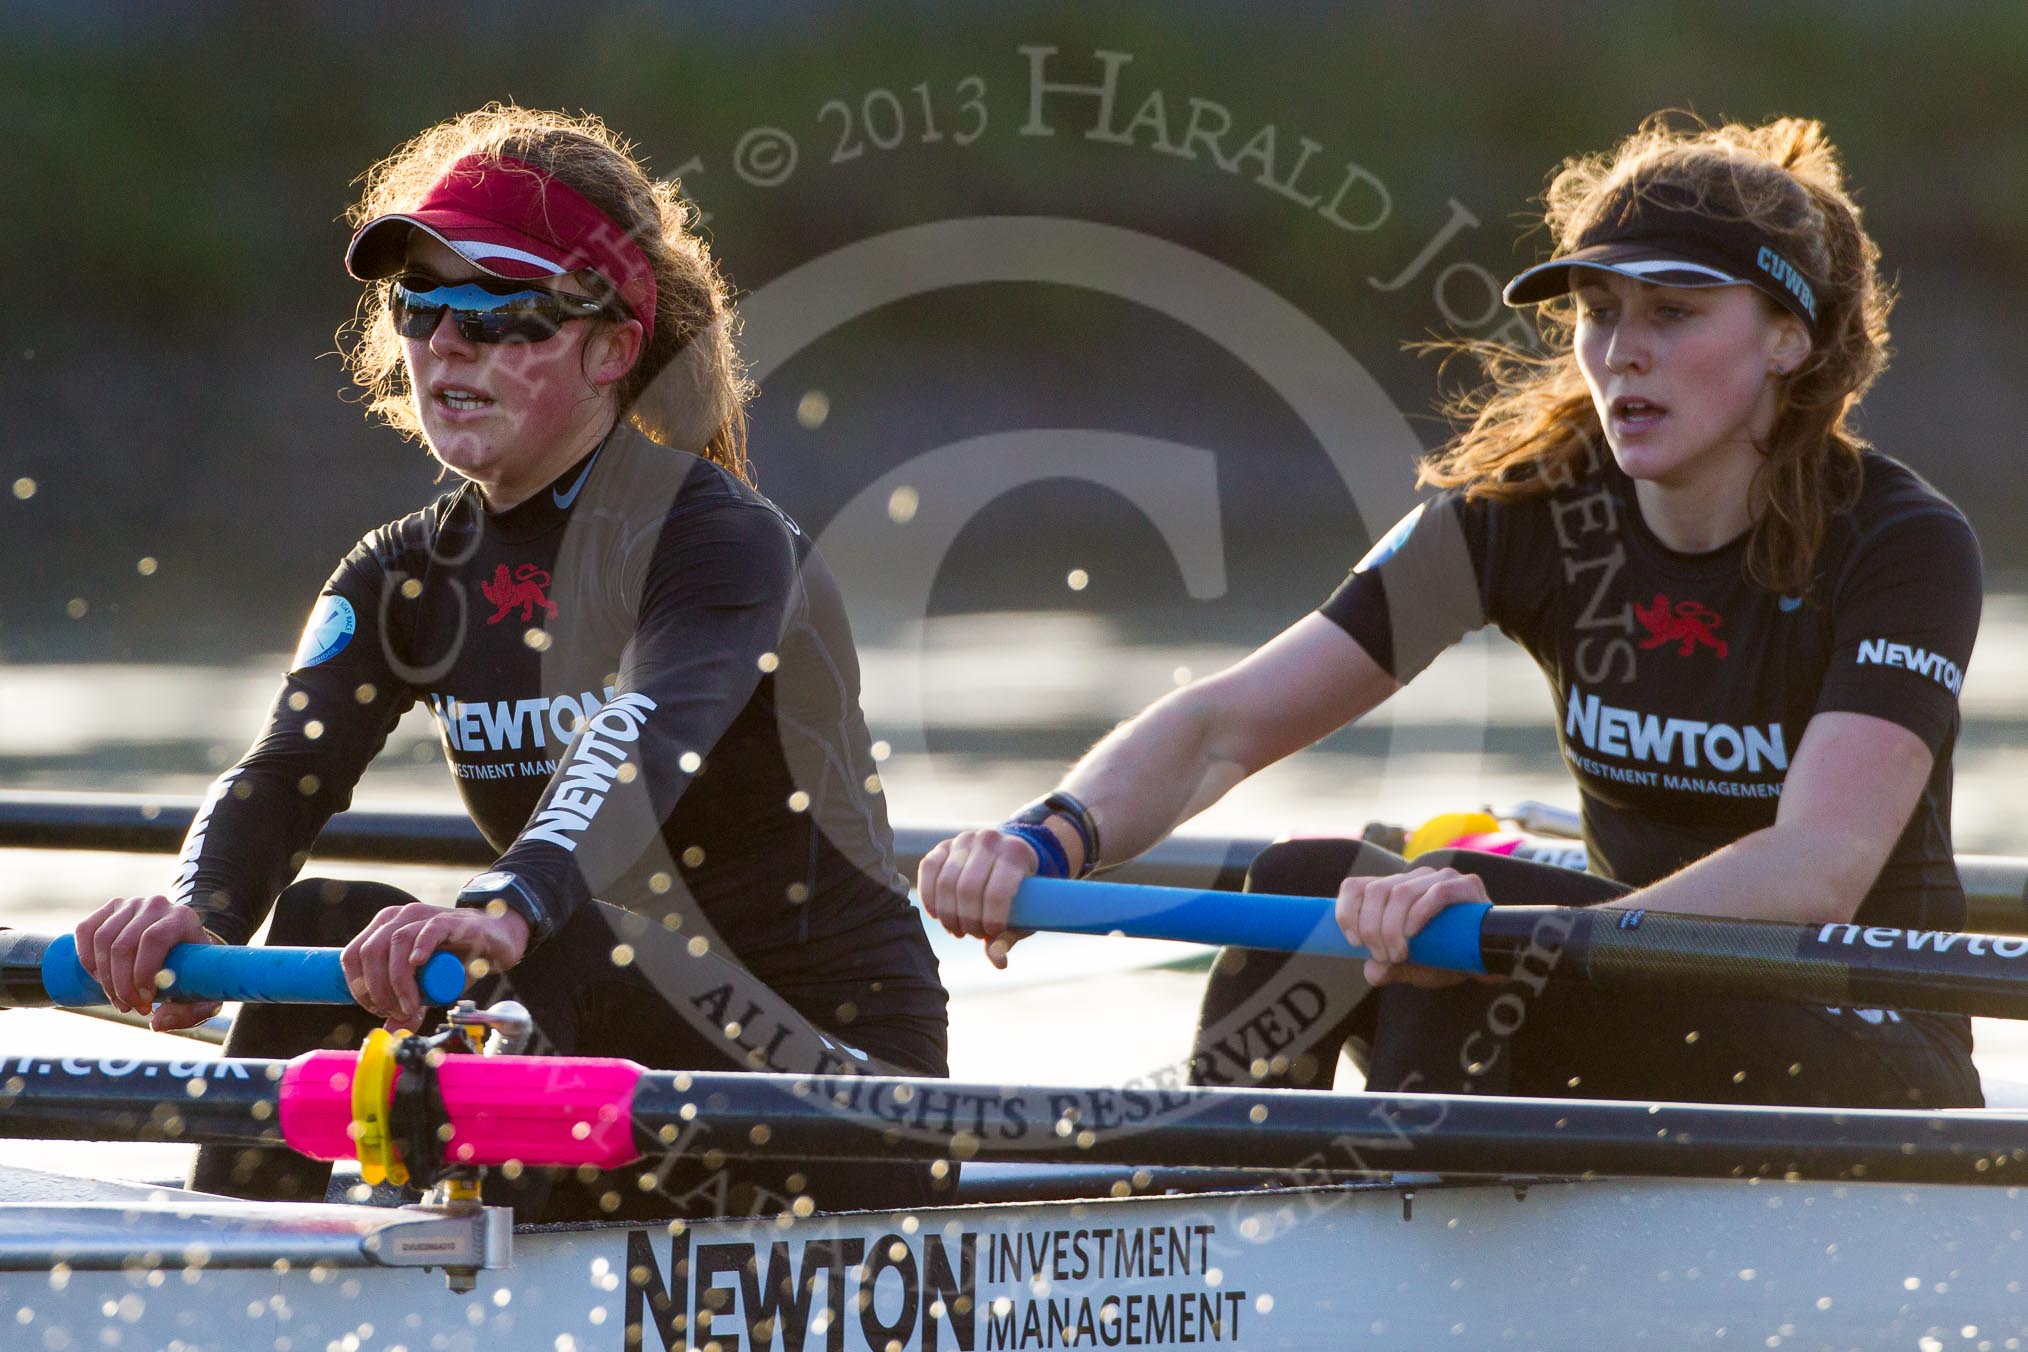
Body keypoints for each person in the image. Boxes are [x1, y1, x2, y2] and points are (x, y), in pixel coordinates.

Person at [920, 113, 1982, 1111]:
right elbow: (1220, 728)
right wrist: (1042, 838)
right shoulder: (1528, 515)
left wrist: (1522, 934)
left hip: (1866, 1025)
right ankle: (1223, 1234)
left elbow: (1818, 868)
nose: (1622, 353)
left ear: (1788, 338)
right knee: (1303, 882)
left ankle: (1397, 1259)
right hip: (1615, 972)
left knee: (1453, 939)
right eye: (1599, 314)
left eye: (1673, 313)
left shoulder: (1902, 546)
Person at [73, 104, 951, 1219]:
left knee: (562, 938)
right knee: (326, 918)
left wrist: (506, 903)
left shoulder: (714, 539)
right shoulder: (401, 576)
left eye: (500, 315)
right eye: (423, 308)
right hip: (608, 1050)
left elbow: (638, 744)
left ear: (612, 346)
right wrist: (191, 916)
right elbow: (275, 777)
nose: (445, 345)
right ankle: (241, 1269)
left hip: (834, 1082)